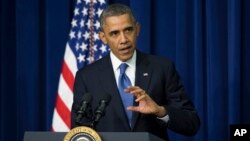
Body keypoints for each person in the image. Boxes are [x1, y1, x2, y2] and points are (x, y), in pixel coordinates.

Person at [71, 3, 200, 140]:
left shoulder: (162, 68)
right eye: (114, 33)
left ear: (137, 29)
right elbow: (79, 131)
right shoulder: (87, 77)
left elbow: (191, 123)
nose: (123, 40)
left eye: (128, 30)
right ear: (103, 37)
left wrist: (160, 111)